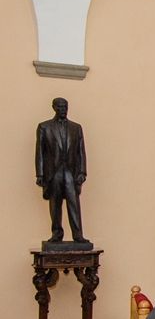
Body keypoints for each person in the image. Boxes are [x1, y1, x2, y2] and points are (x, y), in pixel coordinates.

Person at [35, 97, 89, 243]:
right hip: (53, 172)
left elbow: (81, 151)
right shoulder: (44, 127)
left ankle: (78, 234)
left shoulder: (76, 128)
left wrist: (82, 172)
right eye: (60, 107)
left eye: (65, 106)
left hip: (71, 171)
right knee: (55, 204)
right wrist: (40, 174)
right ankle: (57, 233)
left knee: (73, 203)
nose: (63, 109)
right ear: (54, 108)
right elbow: (40, 152)